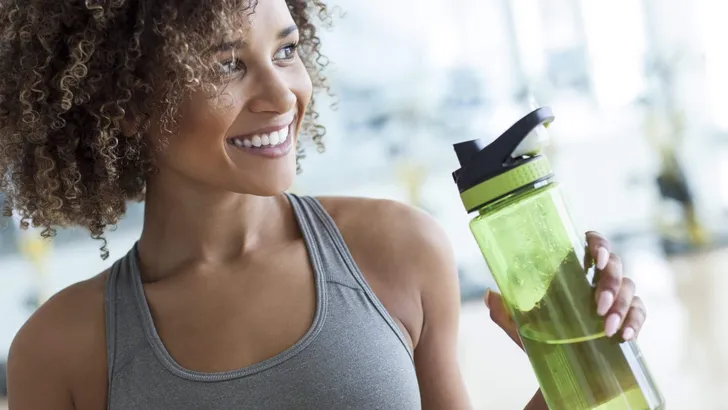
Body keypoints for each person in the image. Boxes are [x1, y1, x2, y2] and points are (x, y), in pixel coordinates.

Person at [0, 0, 648, 409]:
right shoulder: (61, 350)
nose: (282, 96)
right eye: (228, 65)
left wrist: (582, 361)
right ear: (131, 105)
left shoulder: (397, 251)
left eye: (285, 50)